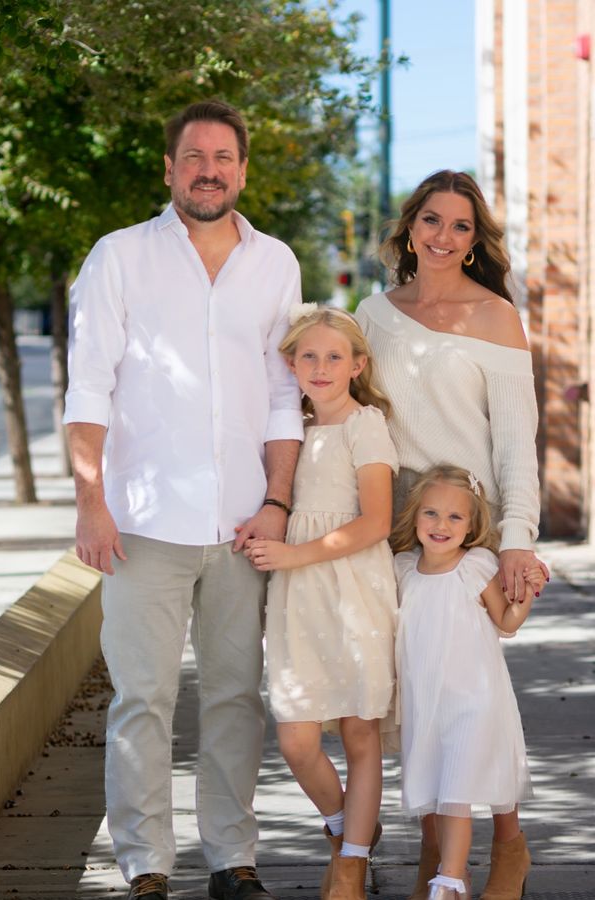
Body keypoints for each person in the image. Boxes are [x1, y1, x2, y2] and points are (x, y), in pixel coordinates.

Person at [63, 100, 304, 900]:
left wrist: (277, 500)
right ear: (169, 169)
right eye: (194, 156)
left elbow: (280, 392)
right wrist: (90, 501)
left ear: (242, 169)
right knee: (143, 698)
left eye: (224, 157)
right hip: (142, 521)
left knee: (238, 695)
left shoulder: (275, 263)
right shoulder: (119, 256)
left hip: (241, 523)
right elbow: (88, 383)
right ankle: (145, 865)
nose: (209, 169)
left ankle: (232, 858)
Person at [355, 169, 549, 900]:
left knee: (472, 694)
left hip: (468, 531)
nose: (444, 236)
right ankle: (438, 857)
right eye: (431, 220)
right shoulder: (373, 314)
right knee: (411, 697)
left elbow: (513, 444)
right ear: (409, 227)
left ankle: (505, 844)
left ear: (475, 240)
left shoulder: (497, 316)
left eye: (461, 225)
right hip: (394, 528)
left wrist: (519, 540)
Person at [244, 305, 399, 900]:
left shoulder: (367, 425)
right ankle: (345, 828)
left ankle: (352, 867)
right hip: (296, 599)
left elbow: (376, 522)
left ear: (358, 365)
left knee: (360, 733)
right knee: (297, 741)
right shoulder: (291, 428)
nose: (321, 366)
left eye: (335, 356)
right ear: (290, 363)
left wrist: (294, 555)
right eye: (308, 355)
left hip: (354, 589)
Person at [391, 466, 545, 900]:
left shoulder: (476, 565)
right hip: (426, 703)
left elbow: (506, 623)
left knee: (455, 791)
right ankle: (450, 876)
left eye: (455, 517)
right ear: (415, 516)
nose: (441, 525)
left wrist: (528, 589)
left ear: (473, 524)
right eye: (432, 514)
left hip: (473, 698)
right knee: (440, 792)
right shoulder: (402, 568)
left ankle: (450, 880)